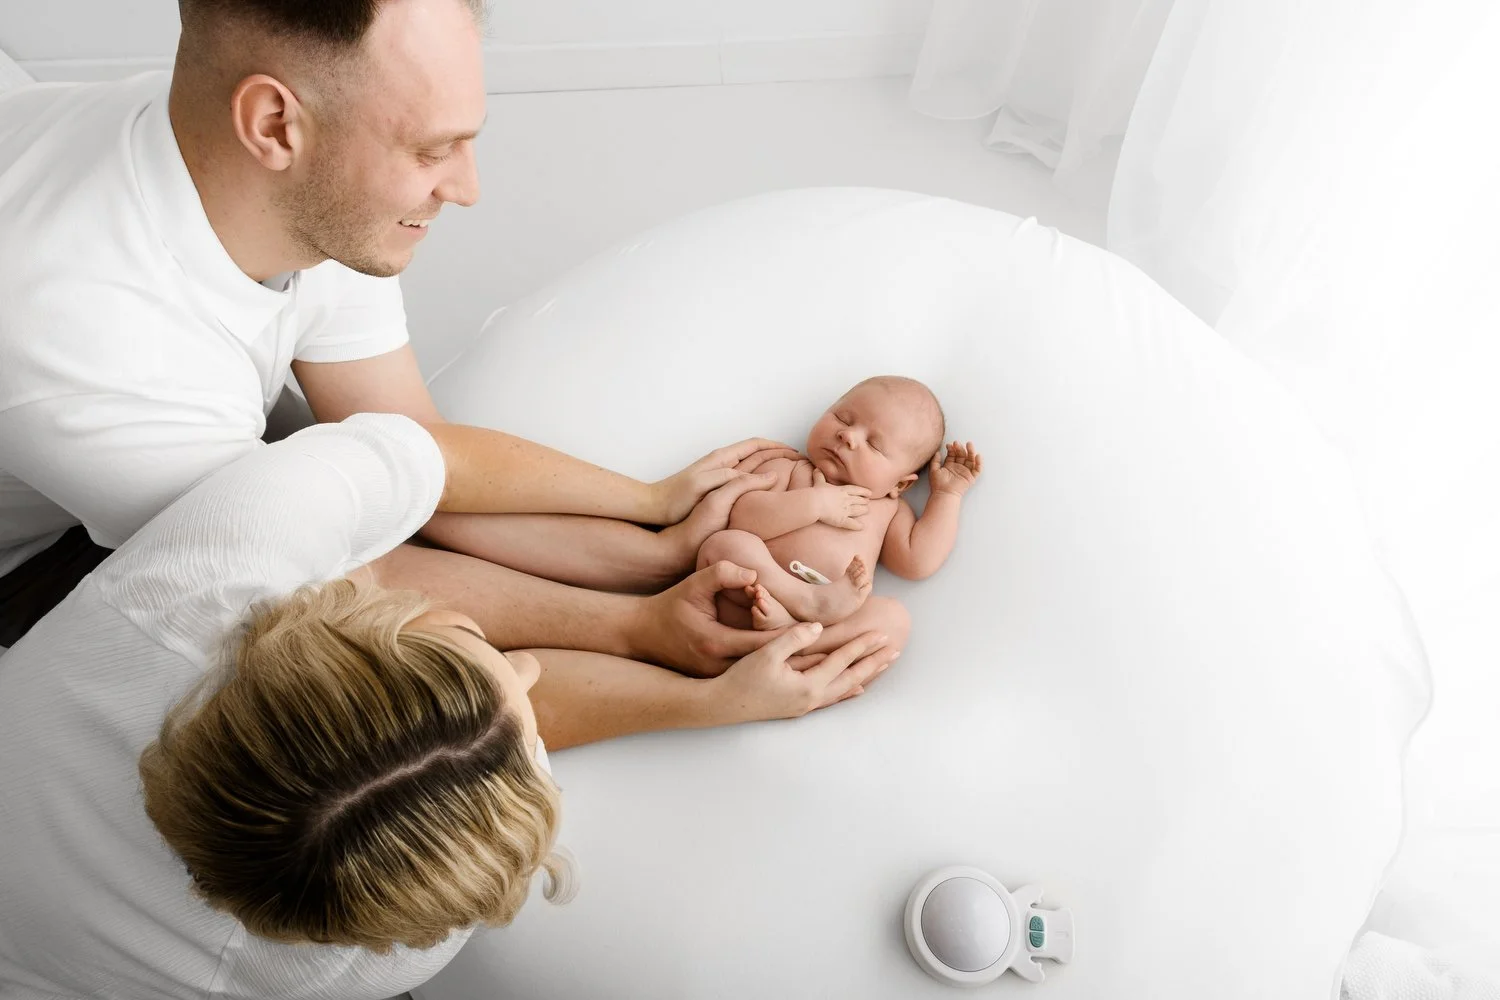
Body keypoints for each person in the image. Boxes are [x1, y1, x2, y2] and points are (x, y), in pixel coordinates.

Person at [0, 0, 902, 675]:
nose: (468, 187)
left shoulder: (258, 175)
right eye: (432, 151)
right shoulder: (94, 353)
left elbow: (410, 453)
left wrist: (656, 515)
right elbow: (347, 586)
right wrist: (641, 635)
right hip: (41, 568)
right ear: (275, 124)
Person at [0, 413, 894, 998]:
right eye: (507, 663)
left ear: (328, 632)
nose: (533, 672)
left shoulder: (202, 575)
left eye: (478, 653)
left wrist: (660, 532)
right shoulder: (347, 967)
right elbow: (423, 639)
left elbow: (423, 460)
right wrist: (708, 705)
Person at [430, 376, 982, 633]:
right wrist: (814, 505)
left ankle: (802, 627)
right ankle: (794, 608)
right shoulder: (785, 467)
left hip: (829, 609)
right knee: (726, 542)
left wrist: (948, 496)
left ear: (900, 482)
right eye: (843, 417)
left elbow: (918, 561)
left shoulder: (888, 510)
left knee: (891, 617)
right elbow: (747, 518)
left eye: (874, 443)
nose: (848, 437)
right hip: (750, 585)